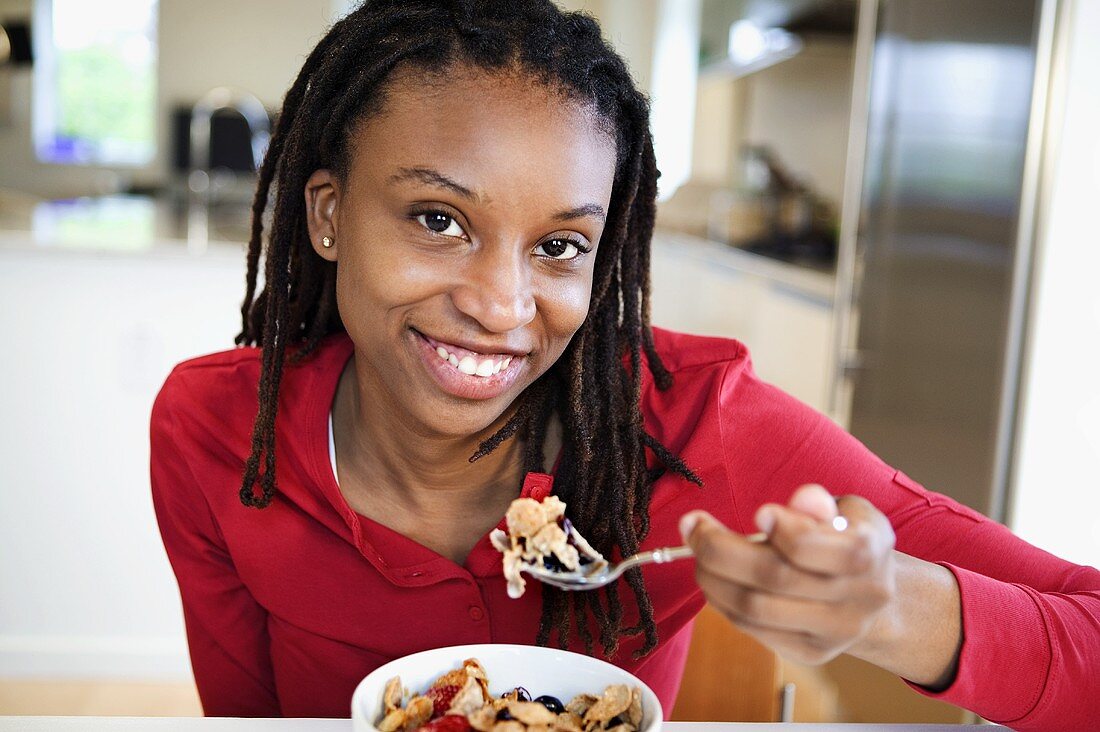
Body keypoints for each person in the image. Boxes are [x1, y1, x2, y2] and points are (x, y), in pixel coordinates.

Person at [149, 1, 1099, 729]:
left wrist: (891, 607)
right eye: (439, 221)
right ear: (325, 215)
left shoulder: (701, 430)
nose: (500, 305)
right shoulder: (220, 434)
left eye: (560, 245)